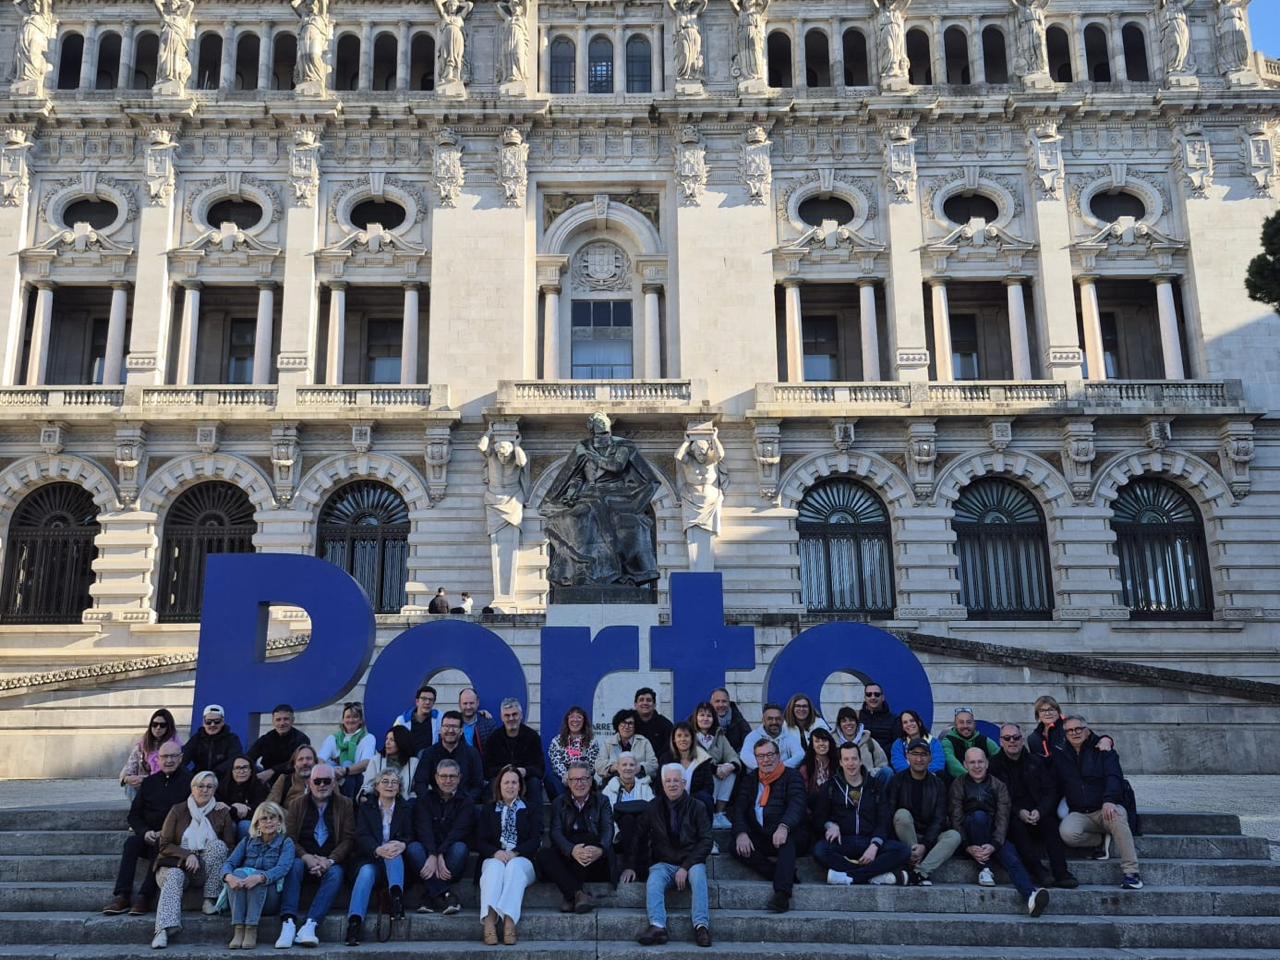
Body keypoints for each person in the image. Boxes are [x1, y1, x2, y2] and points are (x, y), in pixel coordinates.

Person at [950, 747, 1050, 917]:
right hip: (969, 837)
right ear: (965, 765)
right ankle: (986, 869)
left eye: (980, 761)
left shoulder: (999, 786)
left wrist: (994, 844)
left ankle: (1031, 896)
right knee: (979, 816)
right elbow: (956, 817)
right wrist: (967, 846)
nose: (977, 766)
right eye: (972, 762)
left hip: (994, 837)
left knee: (1013, 859)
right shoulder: (958, 785)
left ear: (987, 763)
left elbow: (1003, 818)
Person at [1050, 714, 1142, 890]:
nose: (1075, 733)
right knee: (1067, 832)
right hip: (1079, 811)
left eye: (1078, 728)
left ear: (1087, 730)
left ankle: (1132, 872)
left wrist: (1110, 800)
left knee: (1117, 815)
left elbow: (1114, 776)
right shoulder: (1061, 754)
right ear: (1065, 734)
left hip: (1104, 807)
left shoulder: (1103, 749)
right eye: (1070, 730)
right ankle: (1100, 840)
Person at [150, 771, 238, 949]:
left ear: (214, 790)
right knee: (174, 875)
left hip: (203, 870)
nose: (204, 790)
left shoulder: (221, 812)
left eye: (209, 787)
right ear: (192, 788)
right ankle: (162, 930)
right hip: (174, 865)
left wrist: (201, 856)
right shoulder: (178, 810)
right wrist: (187, 855)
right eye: (200, 786)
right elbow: (164, 845)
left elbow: (229, 846)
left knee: (219, 846)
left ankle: (209, 899)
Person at [103, 741, 190, 916]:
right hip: (148, 835)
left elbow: (191, 816)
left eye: (173, 756)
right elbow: (134, 815)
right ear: (158, 759)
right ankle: (122, 895)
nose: (169, 760)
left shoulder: (190, 782)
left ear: (181, 758)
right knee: (131, 844)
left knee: (159, 847)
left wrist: (165, 834)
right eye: (165, 756)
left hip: (173, 840)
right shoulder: (150, 782)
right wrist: (145, 832)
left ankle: (145, 897)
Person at [812, 741, 911, 887]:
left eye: (854, 758)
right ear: (840, 762)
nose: (850, 763)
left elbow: (884, 819)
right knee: (820, 850)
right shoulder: (831, 787)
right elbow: (818, 818)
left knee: (903, 850)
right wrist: (830, 825)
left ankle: (850, 877)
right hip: (843, 841)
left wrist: (875, 845)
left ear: (860, 760)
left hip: (869, 840)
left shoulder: (875, 785)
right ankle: (873, 875)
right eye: (846, 759)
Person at [990, 723, 1077, 889]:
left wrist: (1040, 811)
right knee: (1016, 827)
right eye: (1007, 738)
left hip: (1038, 812)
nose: (1012, 741)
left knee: (1051, 824)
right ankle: (1039, 872)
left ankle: (1061, 873)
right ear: (1001, 741)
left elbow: (1050, 790)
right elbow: (997, 798)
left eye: (1016, 737)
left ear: (1022, 740)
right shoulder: (994, 765)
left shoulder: (1036, 761)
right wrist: (1019, 811)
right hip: (1012, 814)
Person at [278, 763, 356, 948]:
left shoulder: (345, 804)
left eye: (326, 781)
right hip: (304, 860)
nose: (322, 785)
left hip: (330, 861)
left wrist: (330, 860)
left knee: (336, 873)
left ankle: (310, 924)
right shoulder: (297, 804)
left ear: (334, 783)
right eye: (317, 781)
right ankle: (288, 922)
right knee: (294, 865)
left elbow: (349, 839)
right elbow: (289, 838)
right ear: (309, 783)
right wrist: (306, 857)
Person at [637, 764, 714, 948]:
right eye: (668, 781)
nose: (672, 784)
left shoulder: (698, 807)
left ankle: (701, 926)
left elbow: (706, 840)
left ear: (684, 783)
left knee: (698, 876)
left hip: (691, 861)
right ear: (663, 784)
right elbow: (639, 837)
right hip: (664, 862)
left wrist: (685, 866)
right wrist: (632, 867)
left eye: (676, 781)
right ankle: (658, 926)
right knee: (654, 880)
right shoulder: (653, 807)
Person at [346, 769, 423, 946]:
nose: (390, 785)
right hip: (371, 859)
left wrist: (403, 844)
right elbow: (361, 836)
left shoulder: (406, 808)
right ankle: (354, 923)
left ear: (399, 787)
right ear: (377, 786)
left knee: (393, 851)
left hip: (397, 863)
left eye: (394, 782)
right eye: (385, 781)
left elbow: (411, 834)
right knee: (366, 872)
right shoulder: (366, 807)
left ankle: (396, 899)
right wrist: (377, 849)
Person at [730, 739, 807, 913]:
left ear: (778, 756)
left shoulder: (792, 776)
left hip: (789, 833)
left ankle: (782, 895)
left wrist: (784, 826)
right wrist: (741, 833)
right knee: (735, 846)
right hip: (763, 834)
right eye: (761, 756)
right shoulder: (750, 779)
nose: (766, 760)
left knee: (787, 842)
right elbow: (739, 808)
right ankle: (781, 873)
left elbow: (797, 805)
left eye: (770, 754)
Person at [538, 760, 616, 913]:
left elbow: (608, 829)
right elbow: (555, 832)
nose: (579, 783)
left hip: (595, 860)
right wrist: (572, 850)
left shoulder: (602, 800)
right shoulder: (558, 802)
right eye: (574, 779)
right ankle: (577, 894)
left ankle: (569, 898)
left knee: (587, 839)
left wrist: (601, 849)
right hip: (569, 857)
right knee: (543, 855)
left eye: (583, 779)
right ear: (568, 782)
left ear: (590, 780)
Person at [477, 765, 542, 946]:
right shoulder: (489, 809)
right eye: (506, 782)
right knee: (495, 867)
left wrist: (515, 852)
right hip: (494, 857)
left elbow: (535, 840)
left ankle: (509, 921)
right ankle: (489, 920)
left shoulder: (531, 808)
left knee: (514, 866)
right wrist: (495, 852)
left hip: (523, 860)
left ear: (520, 786)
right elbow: (479, 841)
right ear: (499, 785)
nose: (510, 786)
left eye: (514, 782)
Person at [221, 801, 295, 950]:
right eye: (264, 818)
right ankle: (238, 928)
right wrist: (229, 877)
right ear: (257, 824)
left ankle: (251, 929)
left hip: (269, 897)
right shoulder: (247, 841)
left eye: (273, 818)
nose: (269, 822)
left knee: (257, 875)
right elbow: (229, 863)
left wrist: (260, 877)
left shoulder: (286, 842)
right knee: (237, 873)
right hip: (243, 896)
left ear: (279, 821)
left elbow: (282, 868)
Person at [888, 738, 962, 886]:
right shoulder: (897, 781)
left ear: (930, 758)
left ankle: (920, 872)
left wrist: (925, 845)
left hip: (929, 836)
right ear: (908, 756)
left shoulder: (938, 784)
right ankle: (914, 858)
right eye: (915, 754)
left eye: (923, 754)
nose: (919, 759)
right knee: (901, 814)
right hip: (906, 837)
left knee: (954, 836)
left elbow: (939, 818)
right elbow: (889, 811)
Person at [414, 758, 476, 915]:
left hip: (450, 856)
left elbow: (459, 831)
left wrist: (439, 853)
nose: (448, 780)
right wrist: (432, 854)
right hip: (429, 854)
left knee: (460, 848)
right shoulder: (425, 799)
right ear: (436, 778)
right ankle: (446, 894)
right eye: (443, 776)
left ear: (459, 778)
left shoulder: (467, 801)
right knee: (413, 849)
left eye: (452, 776)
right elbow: (424, 830)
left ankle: (429, 895)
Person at [602, 752, 654, 882]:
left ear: (636, 768)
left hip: (643, 835)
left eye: (631, 765)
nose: (628, 768)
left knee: (637, 822)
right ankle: (634, 870)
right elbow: (606, 818)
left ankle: (632, 869)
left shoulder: (645, 787)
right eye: (624, 765)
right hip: (619, 837)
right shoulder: (608, 790)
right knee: (627, 820)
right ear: (618, 768)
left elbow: (653, 813)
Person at [482, 698, 546, 803]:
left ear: (521, 715)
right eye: (507, 715)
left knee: (534, 783)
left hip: (525, 779)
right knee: (492, 785)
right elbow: (487, 770)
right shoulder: (493, 738)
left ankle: (534, 814)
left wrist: (525, 771)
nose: (511, 718)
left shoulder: (532, 737)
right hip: (501, 780)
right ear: (502, 717)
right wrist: (506, 772)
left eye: (514, 714)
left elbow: (540, 769)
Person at [690, 701, 741, 829]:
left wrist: (731, 765)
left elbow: (732, 755)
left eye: (709, 716)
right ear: (696, 717)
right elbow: (694, 759)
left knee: (730, 773)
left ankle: (720, 813)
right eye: (702, 715)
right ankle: (710, 813)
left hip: (717, 774)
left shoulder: (719, 735)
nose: (705, 718)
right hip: (697, 776)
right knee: (712, 773)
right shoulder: (690, 735)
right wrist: (714, 769)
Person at [416, 710, 484, 803]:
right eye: (446, 726)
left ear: (461, 730)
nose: (450, 730)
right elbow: (420, 782)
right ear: (441, 729)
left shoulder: (472, 754)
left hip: (464, 805)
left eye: (454, 727)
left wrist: (466, 802)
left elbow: (478, 786)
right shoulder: (429, 753)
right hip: (435, 805)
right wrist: (429, 802)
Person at [318, 702, 376, 800]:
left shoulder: (368, 738)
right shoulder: (333, 738)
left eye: (355, 717)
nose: (351, 720)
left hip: (358, 782)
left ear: (361, 720)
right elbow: (320, 760)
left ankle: (348, 805)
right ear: (343, 720)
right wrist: (333, 771)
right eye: (348, 717)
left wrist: (345, 770)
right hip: (335, 779)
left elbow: (366, 763)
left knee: (349, 770)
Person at [120, 709, 182, 800]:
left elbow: (168, 774)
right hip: (143, 784)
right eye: (154, 724)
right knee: (130, 786)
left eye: (162, 725)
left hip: (165, 785)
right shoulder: (142, 744)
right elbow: (130, 765)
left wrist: (144, 780)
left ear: (168, 727)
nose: (158, 728)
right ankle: (138, 808)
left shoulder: (173, 747)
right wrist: (126, 778)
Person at [1028, 695, 1114, 759]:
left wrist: (1106, 739)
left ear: (1058, 711)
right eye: (1042, 710)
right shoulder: (1033, 738)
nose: (1047, 713)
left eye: (1051, 709)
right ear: (1038, 715)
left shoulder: (1070, 726)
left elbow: (1094, 739)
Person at [245, 704, 310, 787]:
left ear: (293, 720)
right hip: (268, 781)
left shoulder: (302, 739)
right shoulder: (266, 739)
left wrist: (272, 771)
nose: (282, 723)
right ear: (273, 721)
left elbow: (297, 763)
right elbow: (249, 757)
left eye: (286, 719)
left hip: (293, 781)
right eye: (278, 719)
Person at [547, 705, 600, 798]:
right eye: (572, 717)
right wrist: (569, 777)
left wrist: (577, 777)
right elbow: (556, 763)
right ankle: (563, 805)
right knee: (550, 779)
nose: (575, 720)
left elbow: (592, 765)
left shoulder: (592, 741)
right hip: (564, 778)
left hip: (583, 777)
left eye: (579, 717)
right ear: (567, 720)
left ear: (584, 721)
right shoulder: (557, 741)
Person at [182, 704, 243, 780]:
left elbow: (234, 759)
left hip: (223, 779)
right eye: (208, 722)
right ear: (203, 722)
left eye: (217, 721)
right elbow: (183, 759)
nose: (212, 725)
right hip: (199, 779)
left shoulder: (232, 739)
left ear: (223, 722)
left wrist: (215, 773)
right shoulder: (196, 739)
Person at [668, 722, 715, 821]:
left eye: (686, 736)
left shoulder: (702, 758)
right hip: (673, 798)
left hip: (695, 799)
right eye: (679, 736)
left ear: (692, 739)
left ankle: (705, 830)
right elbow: (660, 785)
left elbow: (709, 786)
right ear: (674, 739)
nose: (683, 739)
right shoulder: (666, 759)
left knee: (706, 799)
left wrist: (691, 801)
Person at [597, 708, 659, 783]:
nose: (626, 726)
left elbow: (654, 765)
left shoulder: (644, 742)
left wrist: (640, 767)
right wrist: (614, 767)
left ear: (635, 726)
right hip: (612, 783)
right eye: (623, 722)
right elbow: (599, 766)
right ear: (618, 725)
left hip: (639, 783)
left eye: (630, 723)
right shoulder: (608, 743)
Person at [361, 727, 420, 802]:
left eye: (392, 740)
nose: (387, 742)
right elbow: (367, 785)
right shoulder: (376, 760)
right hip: (379, 803)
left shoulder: (414, 762)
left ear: (402, 742)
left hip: (404, 805)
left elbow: (416, 789)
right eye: (386, 739)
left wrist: (410, 802)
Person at [219, 755, 269, 840]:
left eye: (245, 768)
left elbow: (261, 810)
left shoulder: (260, 786)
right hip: (228, 819)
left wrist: (246, 808)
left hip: (252, 821)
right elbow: (220, 807)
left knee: (245, 825)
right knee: (230, 825)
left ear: (251, 770)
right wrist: (235, 808)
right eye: (237, 768)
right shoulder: (223, 786)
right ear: (232, 771)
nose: (241, 771)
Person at [740, 703, 803, 771]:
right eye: (770, 719)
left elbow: (800, 754)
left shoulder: (788, 735)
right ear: (763, 721)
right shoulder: (753, 736)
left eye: (778, 719)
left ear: (782, 720)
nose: (774, 722)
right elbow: (745, 755)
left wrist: (779, 768)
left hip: (783, 773)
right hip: (759, 774)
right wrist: (765, 768)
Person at [941, 707, 998, 779]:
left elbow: (999, 756)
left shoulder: (985, 740)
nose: (965, 726)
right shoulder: (947, 742)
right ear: (955, 725)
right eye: (961, 722)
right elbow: (951, 762)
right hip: (958, 783)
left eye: (969, 722)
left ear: (974, 724)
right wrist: (971, 779)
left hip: (985, 782)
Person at [833, 706, 889, 777]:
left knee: (887, 771)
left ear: (857, 723)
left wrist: (871, 774)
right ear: (839, 725)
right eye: (844, 721)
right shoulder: (833, 743)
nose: (848, 723)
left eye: (851, 720)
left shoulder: (869, 741)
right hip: (842, 781)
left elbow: (883, 764)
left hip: (869, 780)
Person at [890, 709, 944, 774]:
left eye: (912, 721)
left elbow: (938, 763)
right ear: (902, 728)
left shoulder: (934, 742)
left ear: (919, 723)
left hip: (930, 776)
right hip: (906, 778)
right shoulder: (898, 744)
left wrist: (923, 775)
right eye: (905, 722)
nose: (909, 724)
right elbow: (898, 765)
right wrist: (914, 775)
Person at [394, 684, 440, 757]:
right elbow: (394, 742)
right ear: (417, 701)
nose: (427, 702)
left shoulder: (439, 718)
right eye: (424, 699)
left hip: (431, 760)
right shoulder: (402, 721)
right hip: (408, 760)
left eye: (431, 700)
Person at [268, 743, 317, 809]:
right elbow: (270, 807)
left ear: (315, 762)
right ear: (294, 764)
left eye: (309, 758)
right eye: (300, 759)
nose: (305, 762)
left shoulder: (324, 781)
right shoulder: (284, 780)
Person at [858, 681, 899, 757]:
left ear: (883, 697)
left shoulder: (894, 719)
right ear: (865, 698)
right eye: (869, 694)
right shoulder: (857, 717)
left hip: (886, 760)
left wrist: (879, 753)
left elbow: (897, 745)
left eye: (876, 694)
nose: (873, 697)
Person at [633, 687, 674, 760]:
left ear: (654, 705)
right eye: (641, 700)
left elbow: (669, 748)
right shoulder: (629, 724)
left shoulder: (665, 725)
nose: (645, 703)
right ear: (635, 705)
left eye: (648, 700)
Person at [458, 687, 499, 756]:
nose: (468, 707)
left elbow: (495, 749)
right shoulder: (454, 723)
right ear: (459, 705)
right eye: (465, 703)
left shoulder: (488, 724)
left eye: (471, 703)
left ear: (477, 703)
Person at [709, 687, 751, 752]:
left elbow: (749, 744)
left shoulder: (740, 721)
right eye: (717, 701)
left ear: (729, 703)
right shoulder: (703, 721)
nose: (721, 705)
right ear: (711, 704)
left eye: (724, 701)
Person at [800, 726, 838, 799]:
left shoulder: (838, 764)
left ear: (829, 743)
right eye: (817, 741)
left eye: (824, 740)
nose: (821, 744)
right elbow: (803, 793)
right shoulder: (805, 768)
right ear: (812, 746)